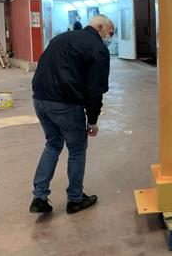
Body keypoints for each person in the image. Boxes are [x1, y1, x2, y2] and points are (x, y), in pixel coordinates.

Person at [29, 14, 115, 214]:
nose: (108, 38)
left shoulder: (61, 38)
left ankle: (39, 197)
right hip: (65, 103)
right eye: (109, 33)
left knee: (53, 143)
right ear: (100, 27)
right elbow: (95, 89)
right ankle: (75, 199)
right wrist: (92, 120)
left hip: (40, 99)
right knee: (77, 150)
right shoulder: (97, 48)